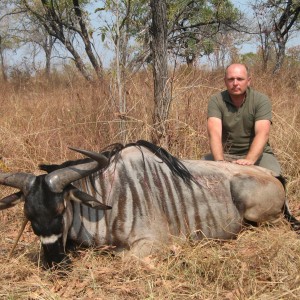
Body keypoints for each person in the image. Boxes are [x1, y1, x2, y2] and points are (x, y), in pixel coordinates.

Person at [204, 63, 281, 175]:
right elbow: (214, 133)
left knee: (275, 179)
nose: (235, 83)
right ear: (225, 81)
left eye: (240, 79)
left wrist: (249, 160)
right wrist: (219, 162)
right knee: (198, 178)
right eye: (231, 79)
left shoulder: (261, 100)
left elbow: (263, 133)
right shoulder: (216, 100)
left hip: (258, 155)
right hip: (226, 154)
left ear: (248, 81)